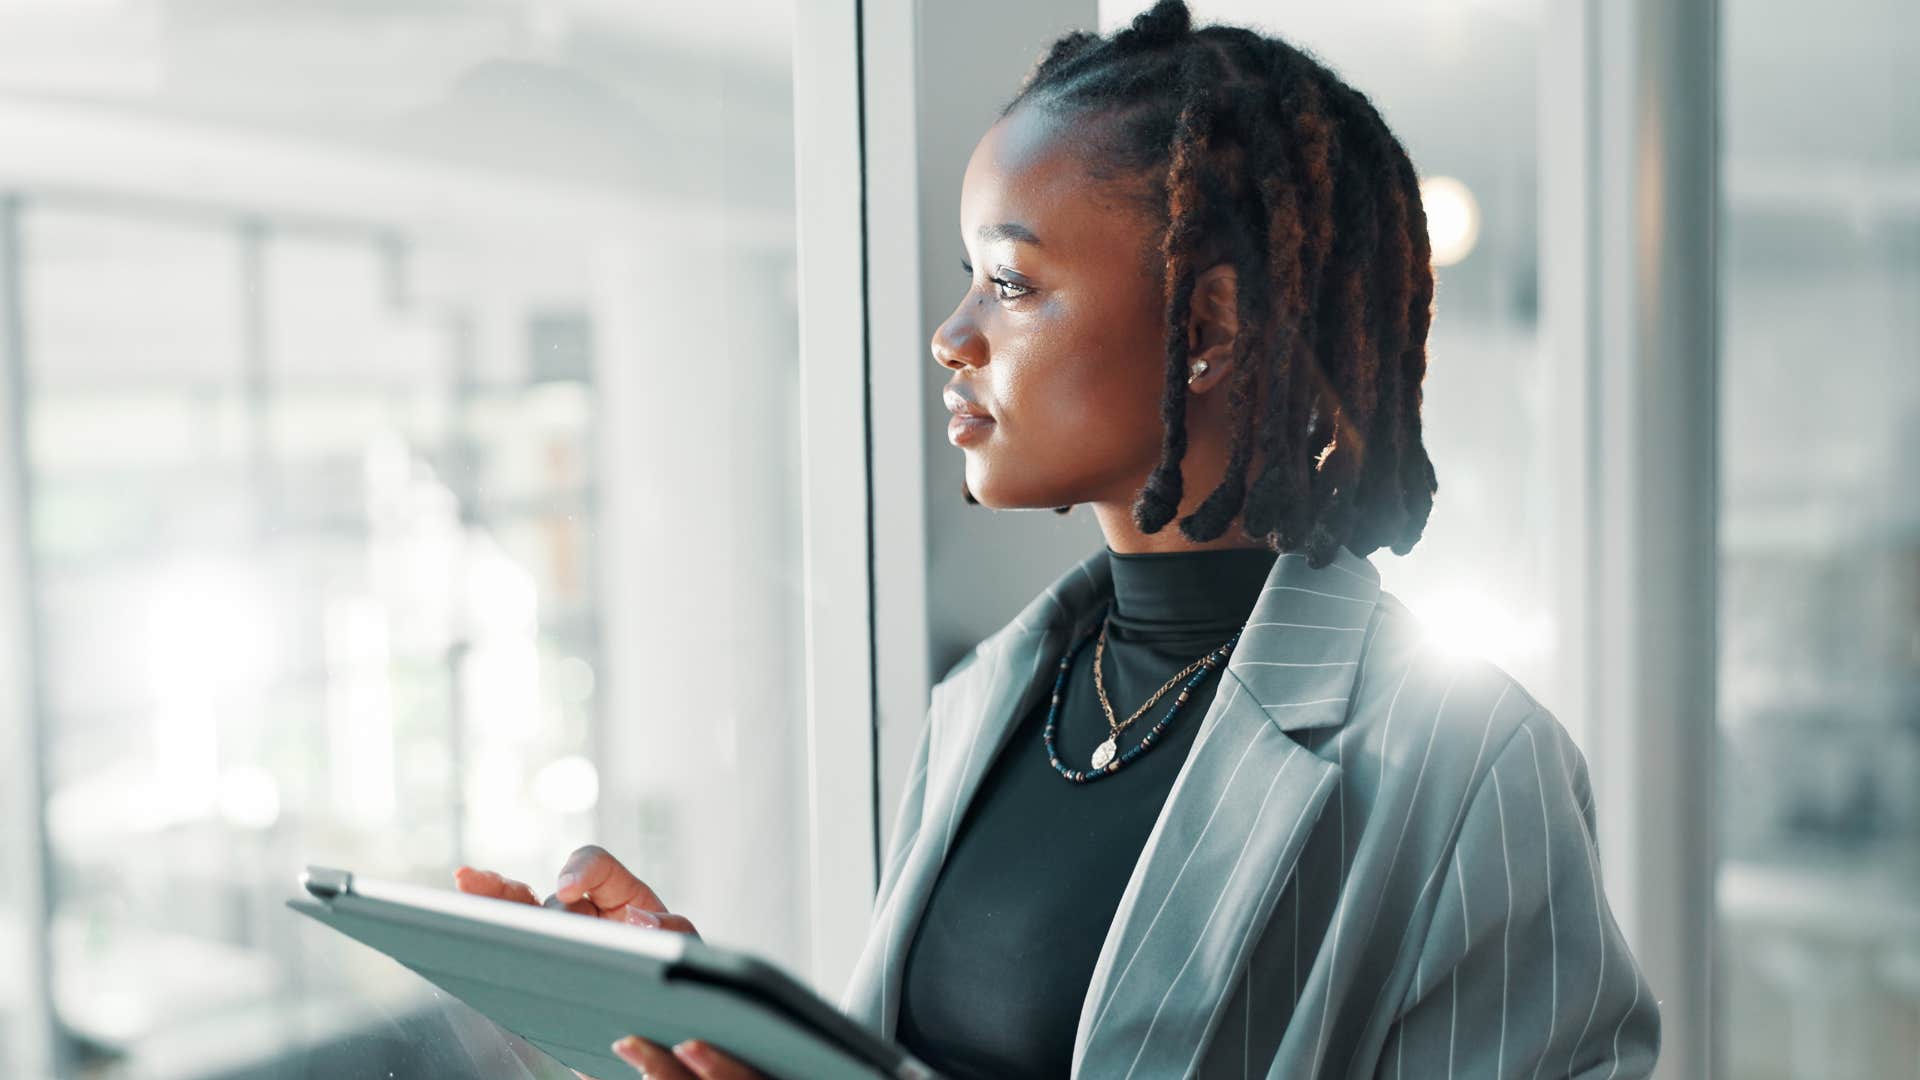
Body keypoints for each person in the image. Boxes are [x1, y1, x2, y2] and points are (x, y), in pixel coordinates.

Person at [454, 2, 1661, 1077]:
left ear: (1209, 324)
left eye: (1010, 285)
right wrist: (718, 1019)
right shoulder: (985, 701)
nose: (951, 334)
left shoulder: (1468, 767)